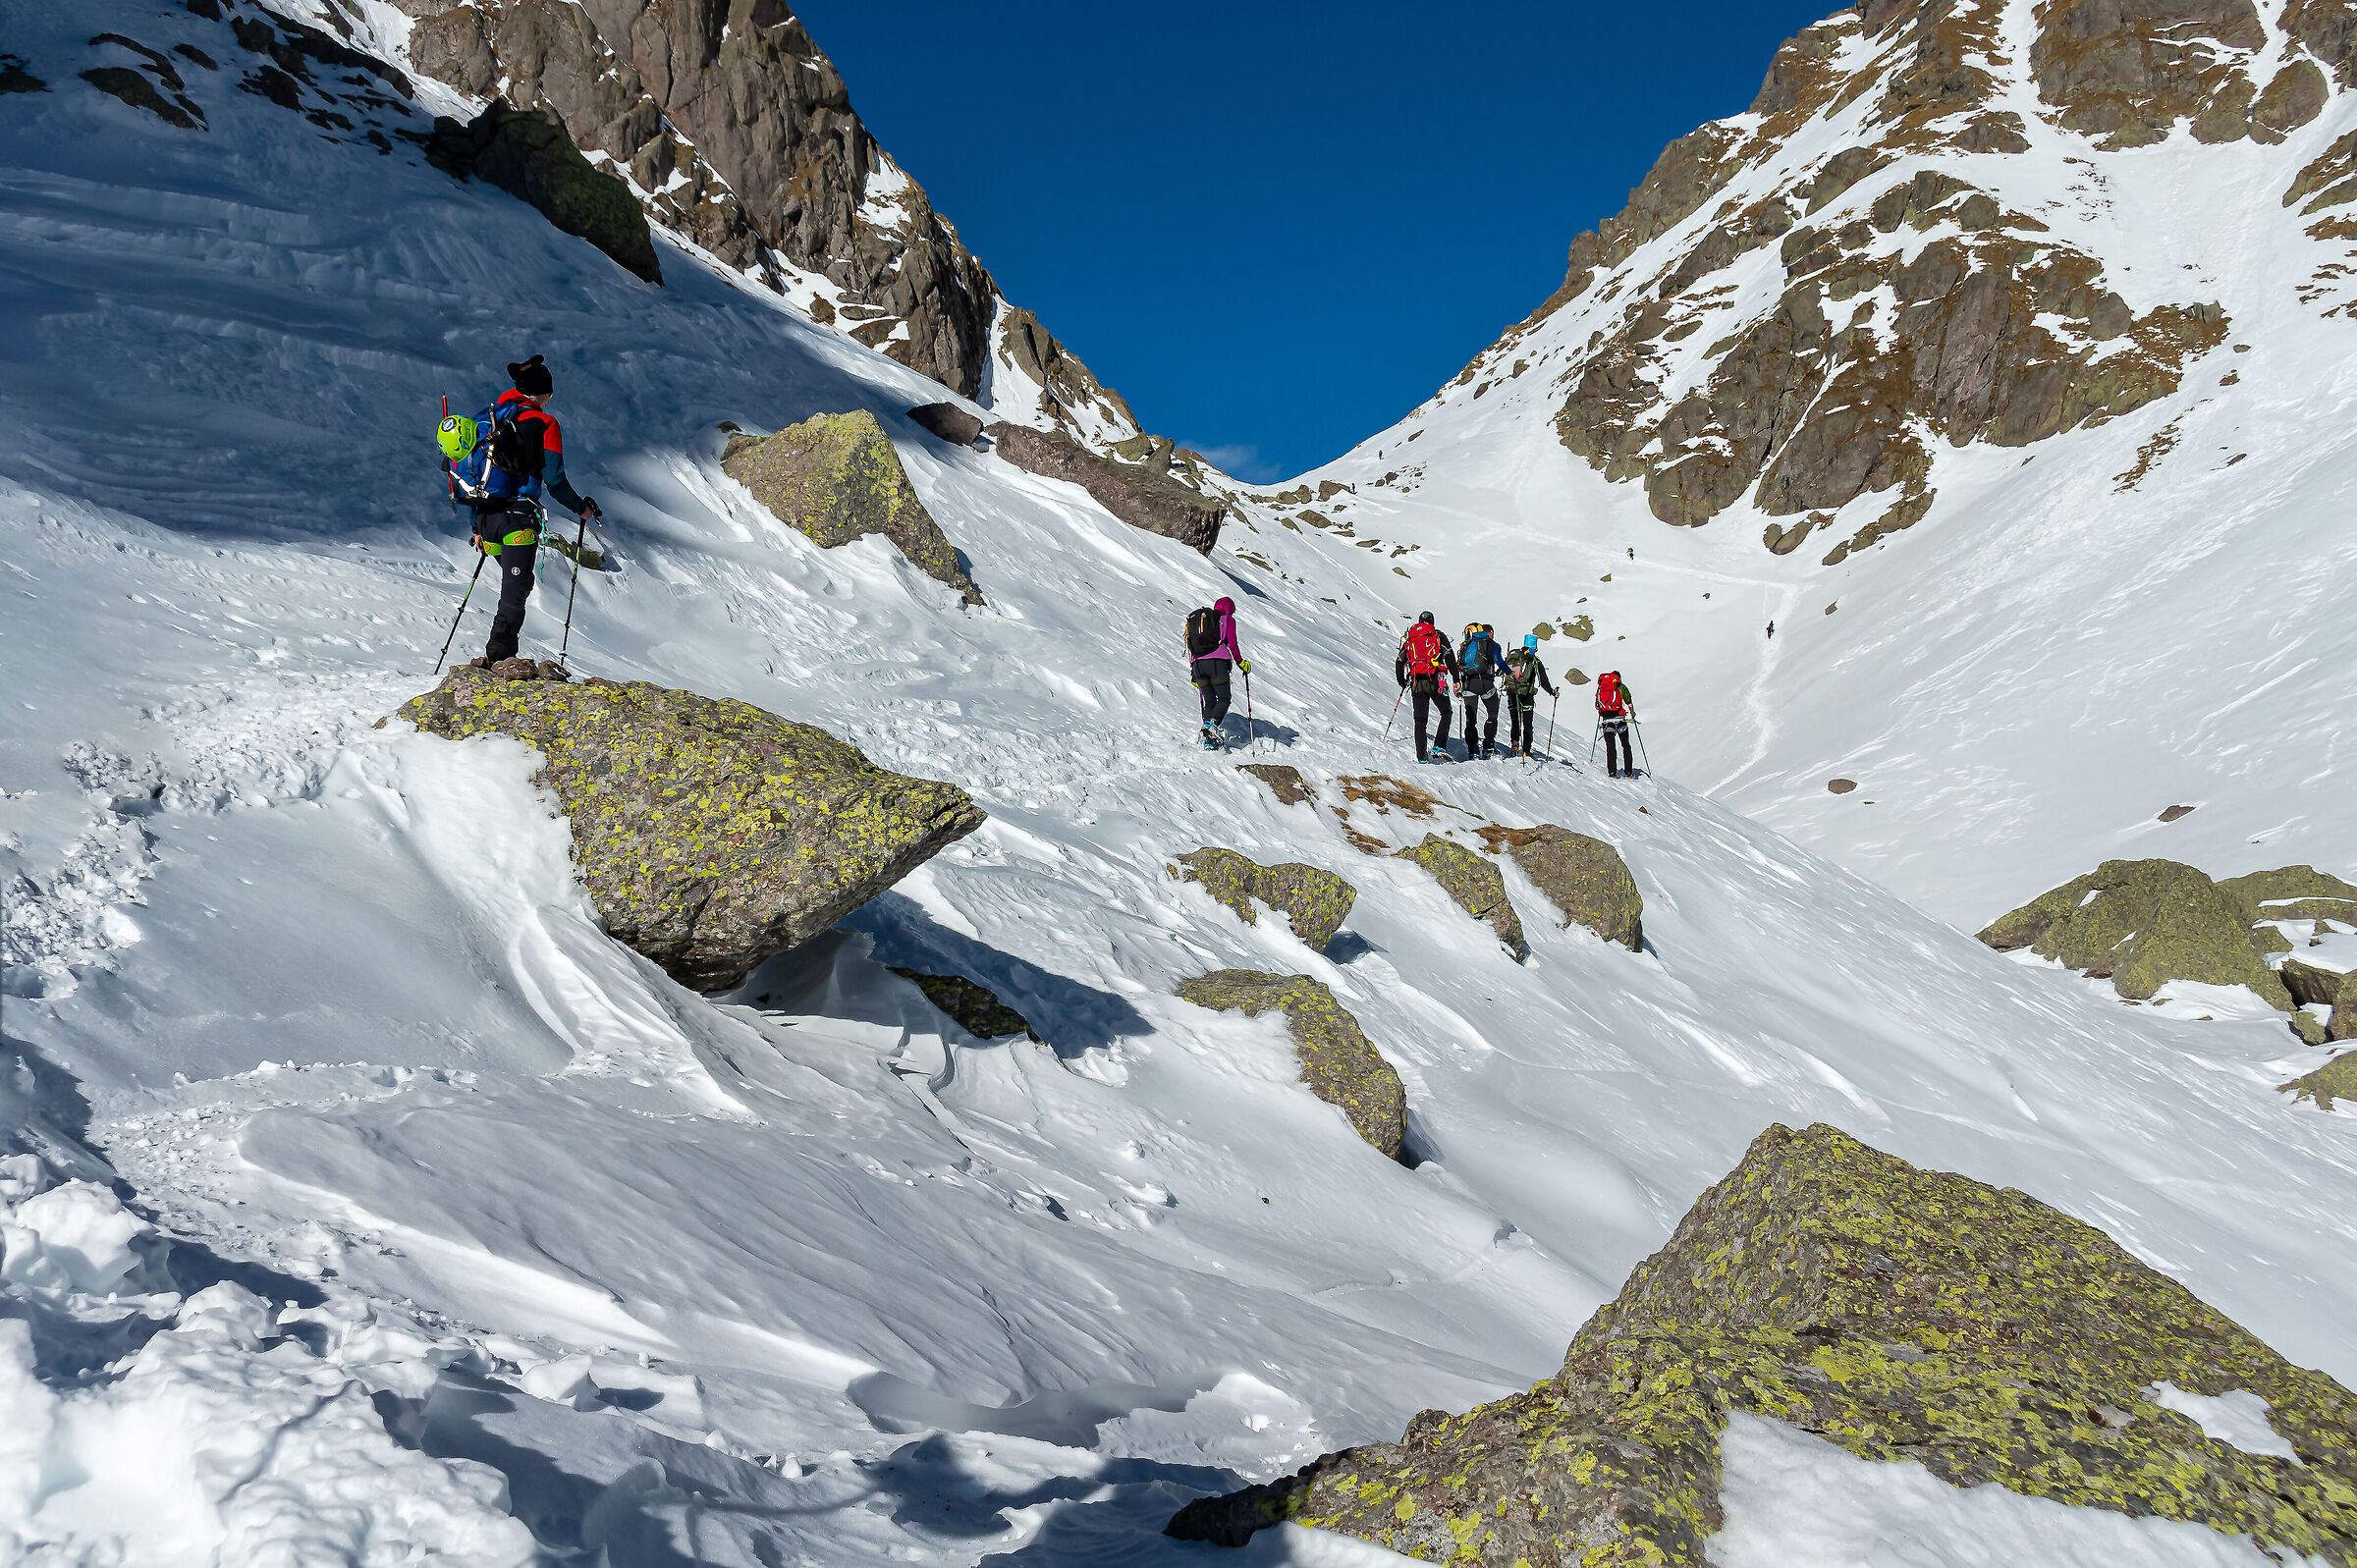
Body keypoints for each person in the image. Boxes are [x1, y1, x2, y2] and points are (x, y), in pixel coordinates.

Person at [465, 355, 600, 666]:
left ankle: (498, 656)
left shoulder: (488, 419)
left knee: (520, 582)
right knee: (515, 590)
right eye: (549, 393)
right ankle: (500, 659)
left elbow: (473, 473)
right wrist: (581, 508)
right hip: (516, 522)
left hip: (485, 520)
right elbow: (554, 480)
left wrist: (475, 526)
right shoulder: (544, 423)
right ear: (542, 392)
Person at [1183, 595, 1247, 748]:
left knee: (1210, 701)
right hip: (1217, 664)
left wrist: (1194, 673)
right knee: (1224, 698)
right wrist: (1241, 662)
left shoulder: (1204, 622)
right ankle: (1212, 725)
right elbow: (1232, 644)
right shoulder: (1227, 620)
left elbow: (1192, 647)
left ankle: (1209, 740)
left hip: (1198, 666)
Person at [1394, 612, 1457, 763]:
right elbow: (1450, 658)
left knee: (1420, 720)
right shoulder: (1437, 635)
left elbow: (1399, 661)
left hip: (1416, 681)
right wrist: (1456, 678)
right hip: (1435, 680)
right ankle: (1438, 747)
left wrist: (1402, 681)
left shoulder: (1411, 639)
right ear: (1432, 621)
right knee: (1446, 712)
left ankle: (1422, 756)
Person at [1456, 622, 1507, 759]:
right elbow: (1499, 662)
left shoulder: (1466, 645)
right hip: (1486, 685)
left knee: (1470, 720)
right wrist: (1508, 672)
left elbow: (1459, 665)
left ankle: (1472, 750)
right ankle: (1488, 746)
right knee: (1492, 714)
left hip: (1468, 684)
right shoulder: (1492, 645)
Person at [1503, 634, 1558, 758]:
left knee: (1515, 722)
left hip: (1512, 693)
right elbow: (1543, 681)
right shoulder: (1535, 661)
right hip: (1527, 695)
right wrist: (1552, 692)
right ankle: (1526, 750)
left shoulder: (1514, 656)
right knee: (1527, 724)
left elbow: (1501, 672)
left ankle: (1515, 744)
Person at [1596, 670, 1638, 779]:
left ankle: (1612, 772)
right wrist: (1633, 713)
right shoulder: (1621, 687)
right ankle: (1628, 773)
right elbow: (1629, 702)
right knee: (1626, 746)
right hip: (1620, 721)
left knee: (1610, 747)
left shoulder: (1602, 687)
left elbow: (1597, 705)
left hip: (1606, 721)